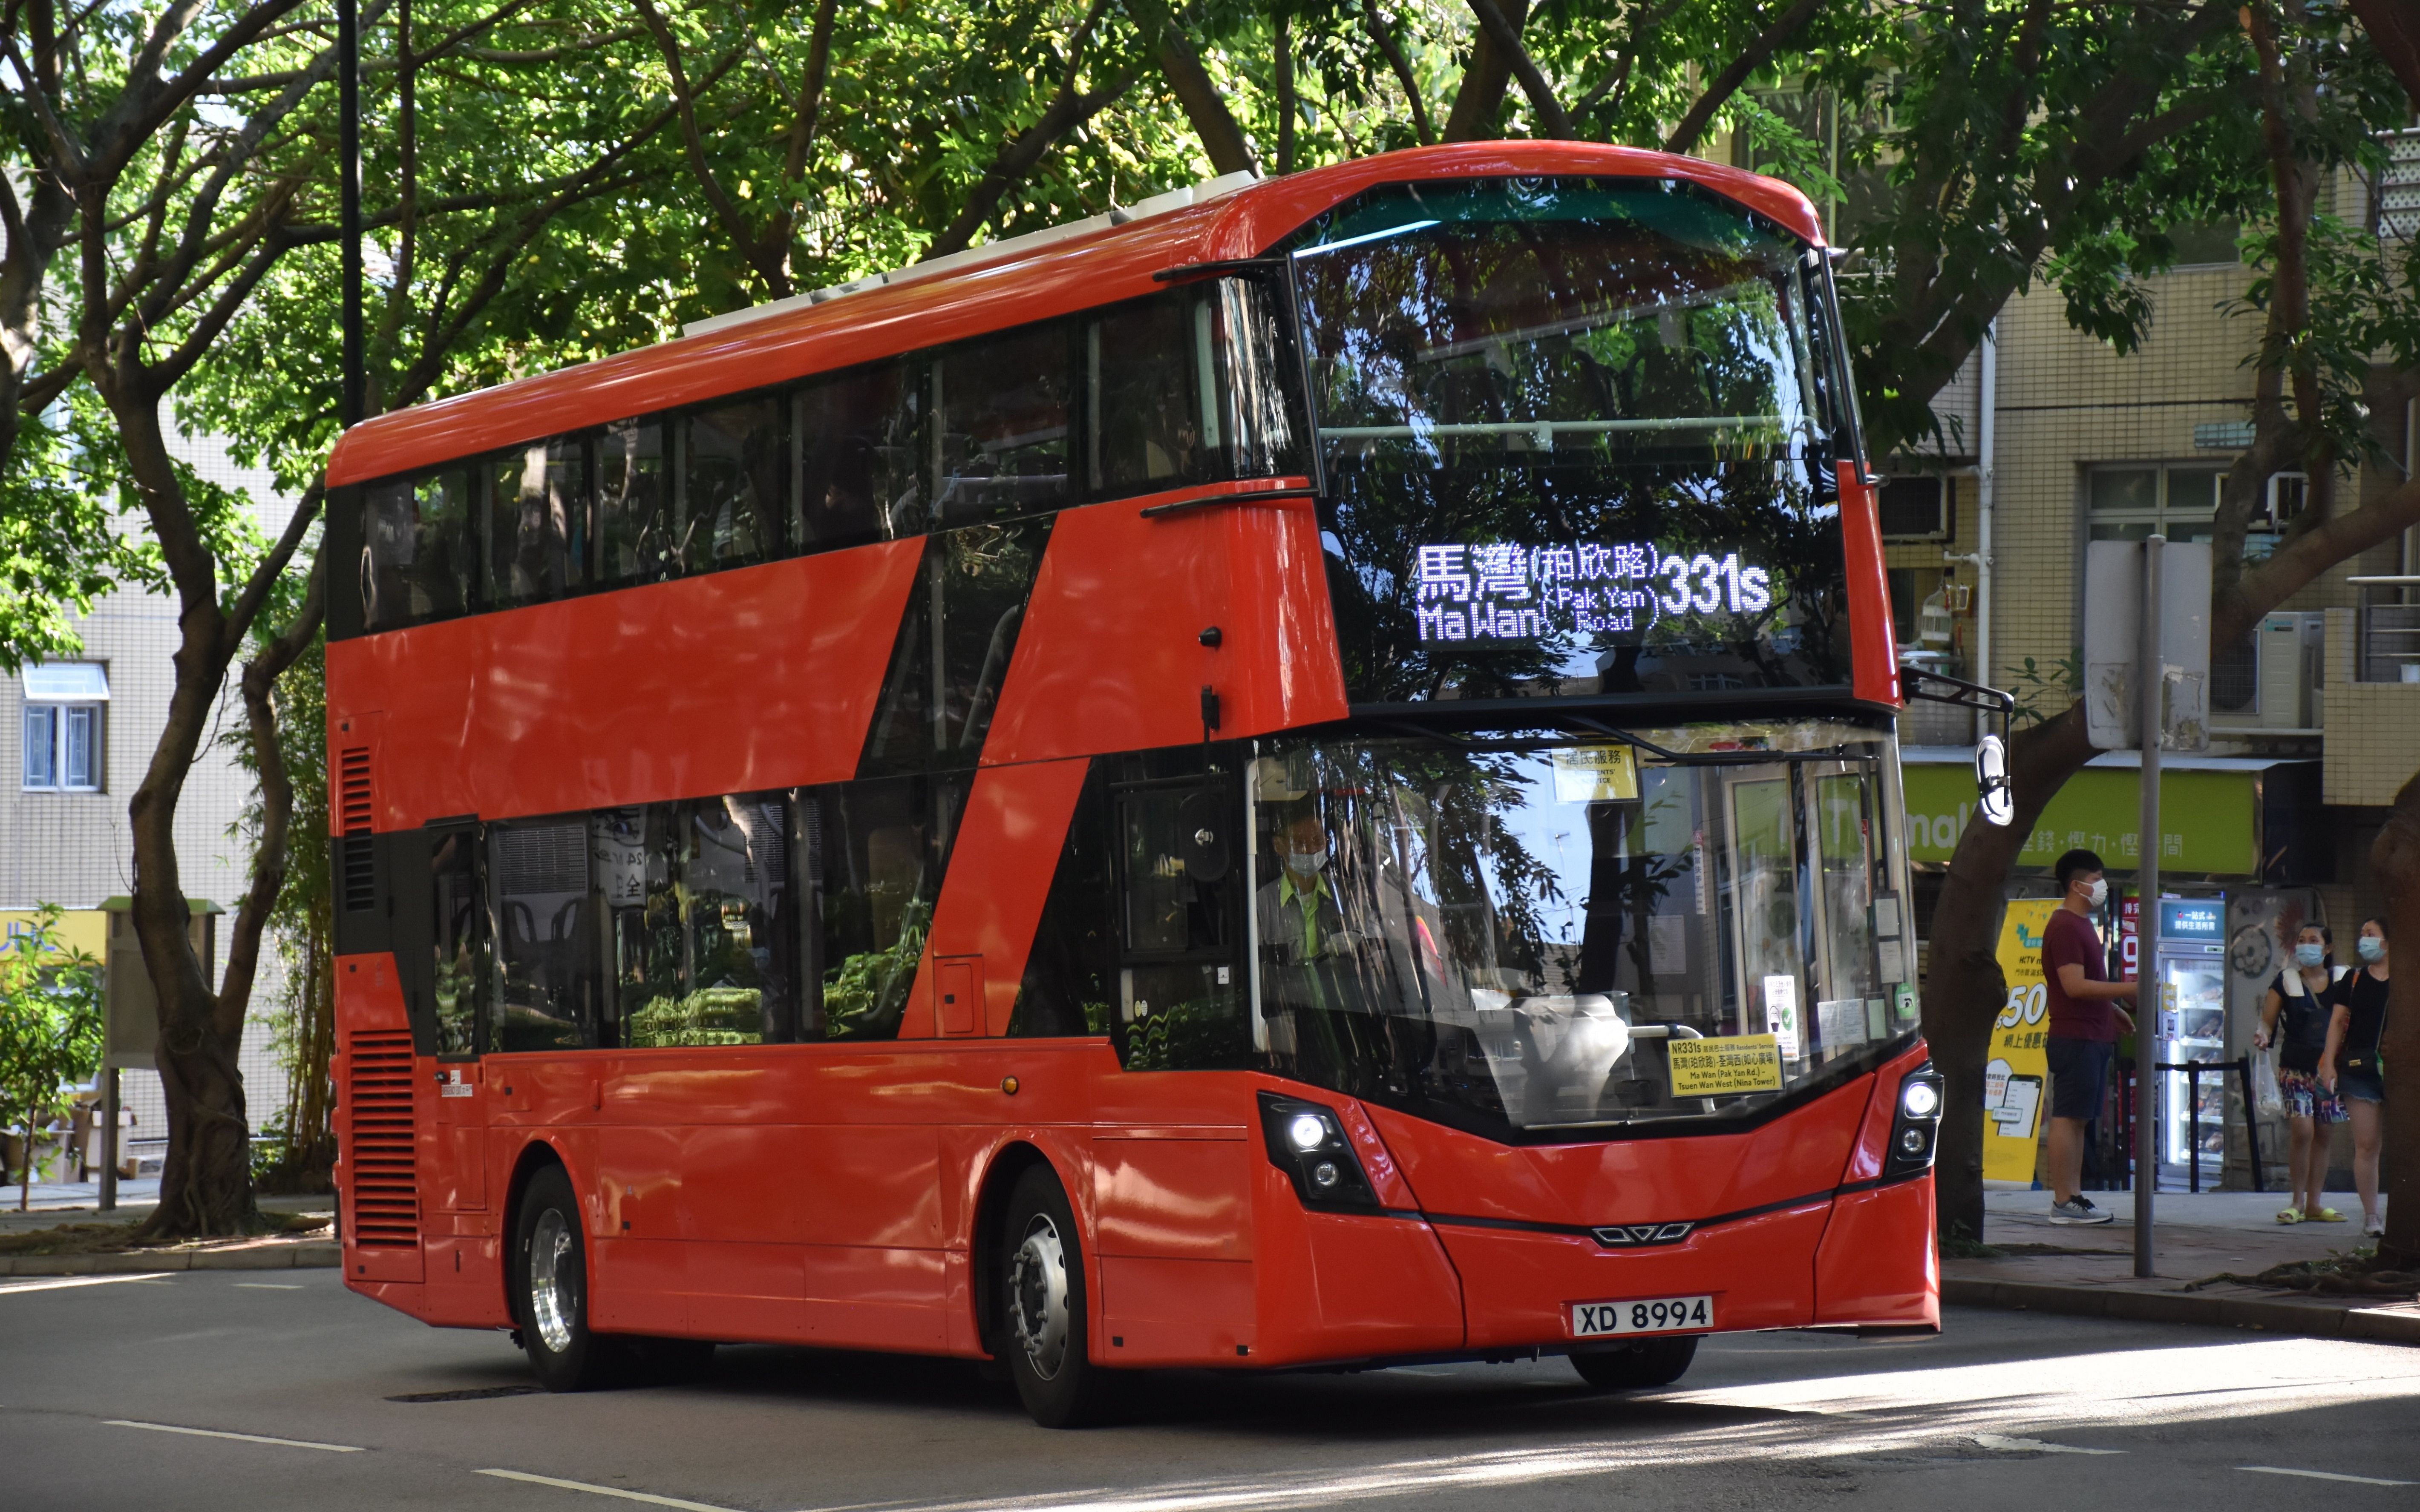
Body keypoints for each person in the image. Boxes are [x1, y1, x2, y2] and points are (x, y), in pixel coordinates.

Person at [2040, 849, 2136, 1224]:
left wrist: (2112, 1009)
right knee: (2068, 1117)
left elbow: (2078, 987)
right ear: (2077, 884)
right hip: (2076, 1038)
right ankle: (2064, 1201)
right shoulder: (2065, 926)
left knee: (2080, 1119)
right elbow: (2074, 985)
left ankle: (2075, 1196)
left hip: (2091, 1036)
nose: (2101, 888)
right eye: (2097, 880)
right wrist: (2129, 988)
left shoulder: (2081, 926)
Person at [2254, 923, 2349, 1224]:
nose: (2307, 946)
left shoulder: (2343, 980)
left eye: (2314, 940)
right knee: (2303, 1130)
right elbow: (2267, 1021)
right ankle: (2297, 1201)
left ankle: (2315, 1204)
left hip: (2329, 1069)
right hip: (2294, 1068)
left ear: (2328, 948)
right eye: (2302, 941)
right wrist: (2262, 1036)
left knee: (2324, 1133)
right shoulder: (2286, 981)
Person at [2322, 918, 2390, 1238]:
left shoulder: (2408, 977)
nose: (2364, 940)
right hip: (2361, 1068)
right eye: (2362, 934)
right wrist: (2328, 1061)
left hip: (2400, 1071)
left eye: (2371, 935)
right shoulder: (2353, 979)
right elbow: (2337, 1022)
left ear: (2388, 942)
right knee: (2367, 1144)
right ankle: (2372, 1216)